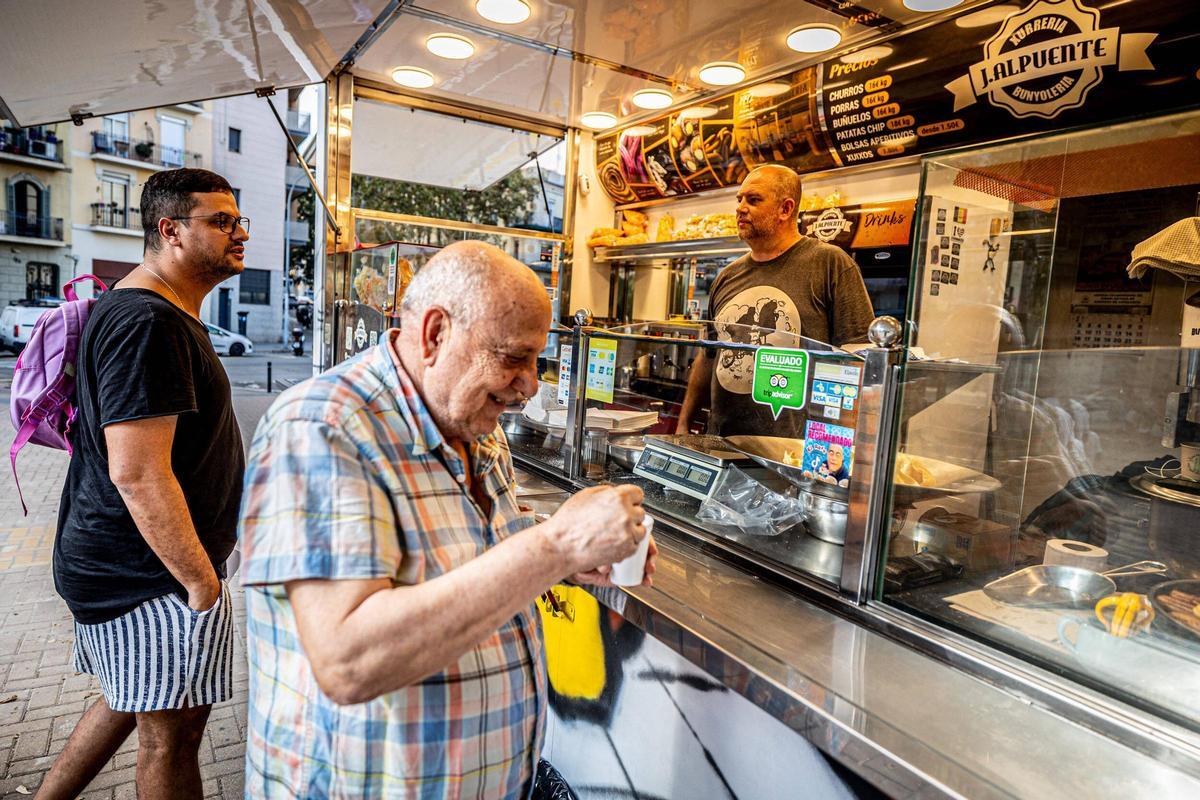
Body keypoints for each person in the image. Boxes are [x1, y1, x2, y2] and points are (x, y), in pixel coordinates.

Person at [238, 241, 656, 798]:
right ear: (435, 334)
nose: (531, 384)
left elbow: (473, 553)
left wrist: (574, 560)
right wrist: (556, 546)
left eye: (538, 360)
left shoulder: (472, 421)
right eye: (513, 357)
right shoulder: (322, 429)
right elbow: (349, 660)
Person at [37, 169, 249, 800]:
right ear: (170, 230)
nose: (239, 233)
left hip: (131, 564)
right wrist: (199, 582)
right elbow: (136, 471)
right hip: (146, 574)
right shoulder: (148, 322)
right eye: (221, 221)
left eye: (238, 220)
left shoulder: (152, 310)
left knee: (132, 698)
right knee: (172, 737)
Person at [676, 164, 875, 437]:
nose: (740, 208)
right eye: (740, 199)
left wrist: (837, 444)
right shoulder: (727, 276)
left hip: (791, 450)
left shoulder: (829, 264)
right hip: (722, 441)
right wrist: (684, 420)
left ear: (785, 209)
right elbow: (709, 356)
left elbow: (857, 360)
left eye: (753, 200)